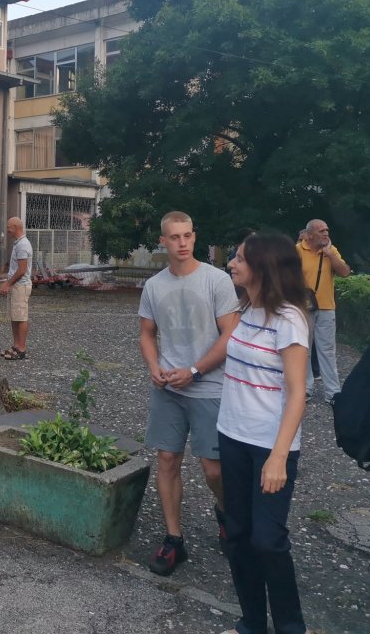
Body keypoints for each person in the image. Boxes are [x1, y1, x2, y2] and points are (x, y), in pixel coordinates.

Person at [218, 233, 312, 634]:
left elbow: (298, 394)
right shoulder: (246, 309)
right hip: (231, 436)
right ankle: (252, 623)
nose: (232, 264)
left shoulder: (289, 319)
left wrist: (278, 456)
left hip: (270, 447)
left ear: (263, 267)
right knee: (238, 535)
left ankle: (291, 626)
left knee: (268, 539)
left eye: (240, 259)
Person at [138, 211, 240, 575]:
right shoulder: (154, 286)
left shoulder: (217, 280)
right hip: (168, 387)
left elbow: (231, 335)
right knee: (167, 459)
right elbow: (147, 333)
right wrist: (153, 366)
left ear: (194, 237)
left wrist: (195, 371)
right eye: (174, 237)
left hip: (209, 386)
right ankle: (174, 539)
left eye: (187, 236)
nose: (182, 243)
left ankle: (226, 512)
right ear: (163, 241)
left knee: (214, 470)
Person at [295, 219, 351, 403]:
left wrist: (330, 255)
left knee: (327, 350)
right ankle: (305, 388)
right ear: (310, 234)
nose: (326, 233)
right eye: (321, 231)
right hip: (303, 307)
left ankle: (333, 392)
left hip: (326, 307)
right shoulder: (298, 250)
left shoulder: (331, 250)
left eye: (327, 230)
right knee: (304, 349)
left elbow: (345, 272)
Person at [0, 216, 32, 360]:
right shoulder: (18, 243)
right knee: (15, 316)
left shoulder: (23, 244)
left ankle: (21, 349)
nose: (7, 230)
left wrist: (8, 283)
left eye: (9, 227)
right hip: (16, 285)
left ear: (16, 227)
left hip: (21, 286)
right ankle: (16, 346)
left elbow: (22, 270)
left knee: (21, 316)